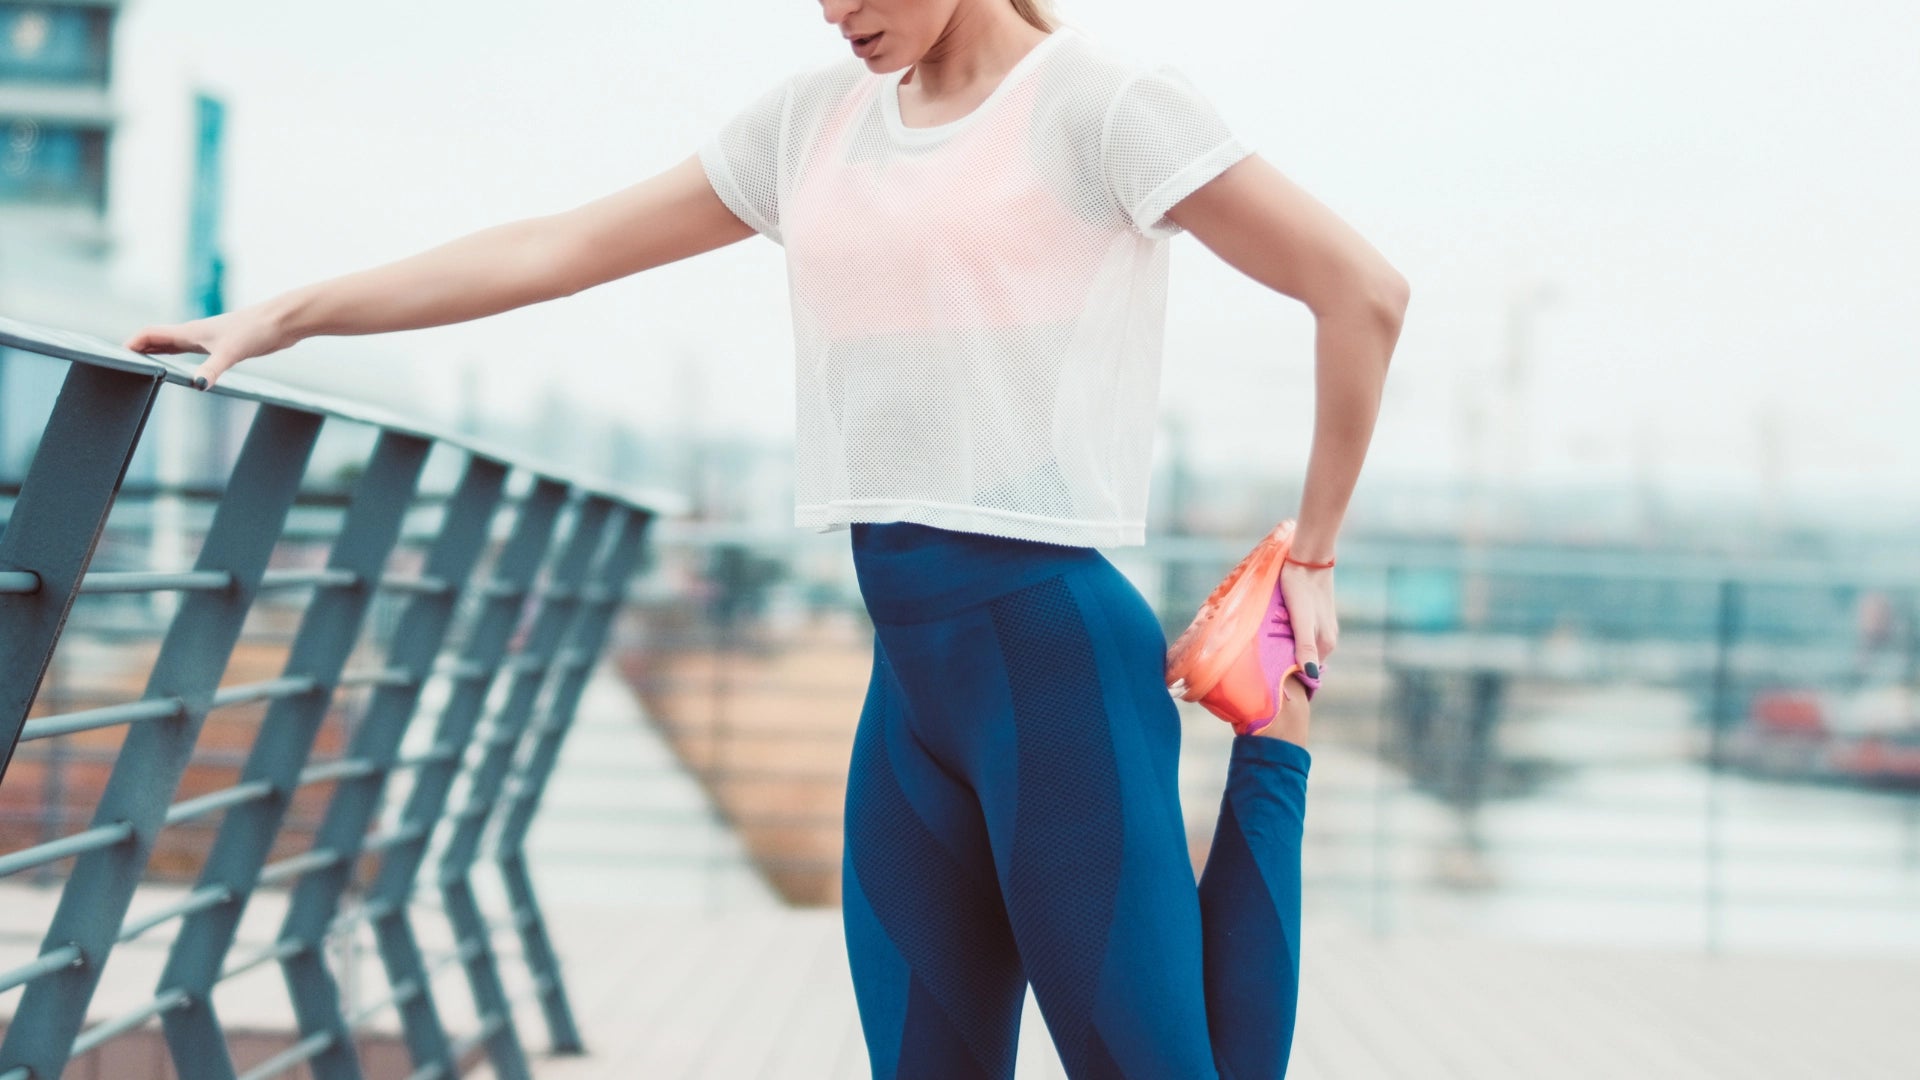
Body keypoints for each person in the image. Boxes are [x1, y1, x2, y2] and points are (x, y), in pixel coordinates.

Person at [124, 1, 1408, 1074]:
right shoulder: (815, 122)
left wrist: (1313, 559)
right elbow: (559, 246)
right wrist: (284, 315)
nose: (834, 9)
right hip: (907, 687)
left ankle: (1276, 762)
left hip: (1056, 669)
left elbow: (1360, 290)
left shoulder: (1106, 105)